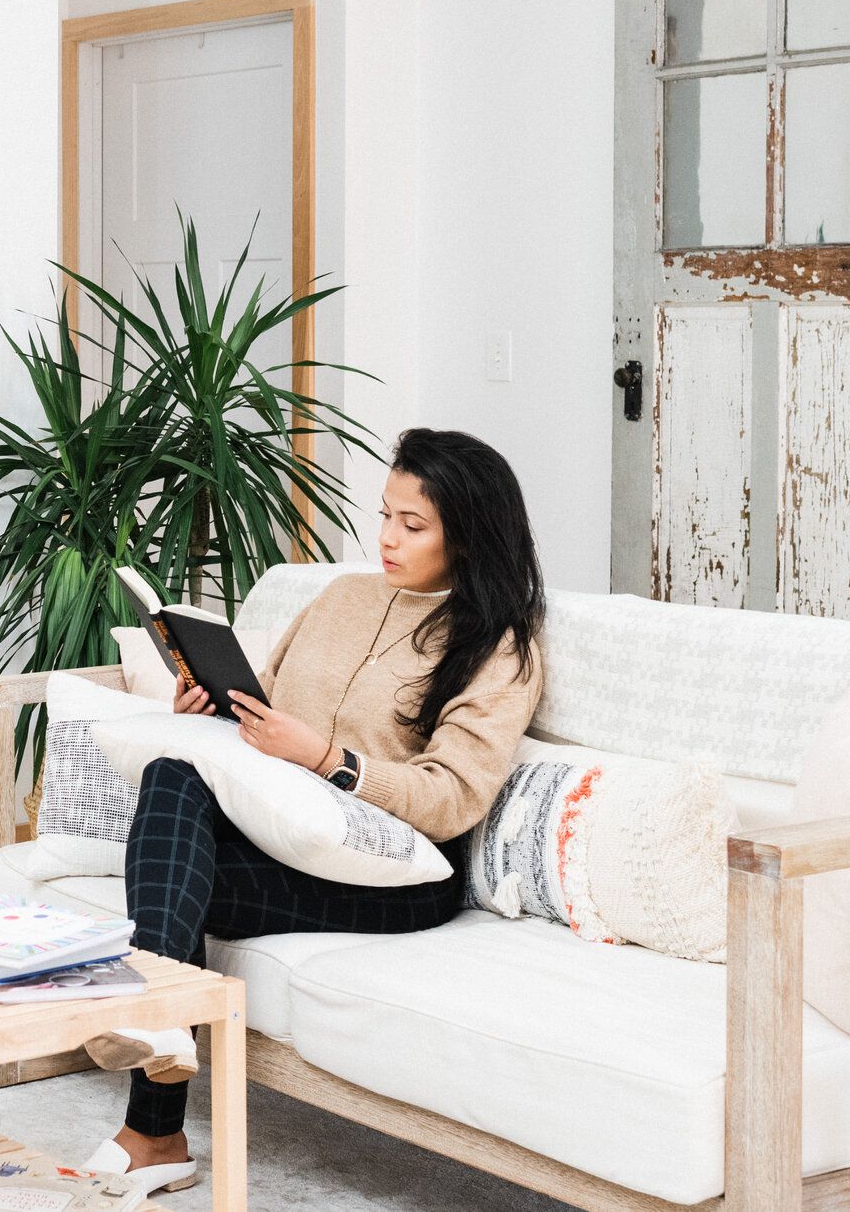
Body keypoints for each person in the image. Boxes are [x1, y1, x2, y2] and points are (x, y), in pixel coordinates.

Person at [78, 428, 547, 1194]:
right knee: (173, 775)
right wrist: (211, 706)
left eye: (413, 524)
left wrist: (329, 757)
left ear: (468, 535)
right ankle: (159, 1077)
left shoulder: (499, 642)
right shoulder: (342, 596)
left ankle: (153, 1124)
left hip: (399, 870)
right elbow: (262, 702)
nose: (387, 537)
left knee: (166, 879)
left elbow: (453, 795)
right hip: (286, 828)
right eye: (386, 513)